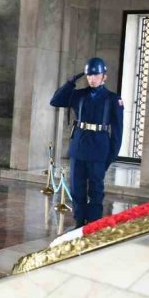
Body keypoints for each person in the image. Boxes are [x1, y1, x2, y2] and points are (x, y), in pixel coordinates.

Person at [50, 57, 123, 228]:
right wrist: (70, 82)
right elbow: (55, 101)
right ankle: (79, 221)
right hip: (79, 147)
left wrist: (111, 156)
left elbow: (118, 131)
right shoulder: (78, 95)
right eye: (89, 75)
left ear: (104, 76)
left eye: (96, 75)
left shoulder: (112, 99)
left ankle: (93, 223)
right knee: (77, 188)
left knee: (96, 189)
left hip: (99, 148)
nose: (92, 79)